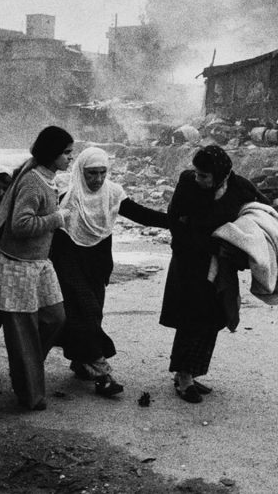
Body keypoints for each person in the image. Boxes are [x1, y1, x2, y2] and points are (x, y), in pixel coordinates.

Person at [53, 147, 168, 397]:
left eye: (102, 173)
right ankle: (103, 374)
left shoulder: (113, 193)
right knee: (86, 313)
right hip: (69, 265)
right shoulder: (65, 195)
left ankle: (80, 361)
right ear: (81, 171)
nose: (97, 179)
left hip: (98, 265)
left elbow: (140, 214)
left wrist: (175, 222)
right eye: (92, 173)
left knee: (92, 316)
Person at [159, 144, 270, 403]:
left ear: (219, 174)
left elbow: (264, 212)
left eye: (204, 176)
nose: (198, 178)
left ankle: (192, 372)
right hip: (189, 262)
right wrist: (199, 238)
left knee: (212, 317)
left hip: (219, 265)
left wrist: (242, 239)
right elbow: (175, 220)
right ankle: (183, 378)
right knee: (191, 317)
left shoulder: (239, 187)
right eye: (197, 173)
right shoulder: (188, 183)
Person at [0, 126, 73, 411]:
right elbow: (20, 225)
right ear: (52, 154)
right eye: (67, 153)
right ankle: (29, 392)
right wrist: (56, 219)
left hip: (39, 264)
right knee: (23, 333)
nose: (71, 158)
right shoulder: (33, 182)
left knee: (55, 318)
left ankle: (27, 366)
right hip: (17, 267)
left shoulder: (47, 178)